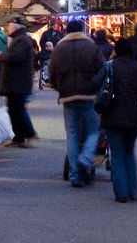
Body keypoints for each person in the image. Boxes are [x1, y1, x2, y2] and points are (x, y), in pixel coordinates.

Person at [48, 18, 106, 187]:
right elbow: (101, 70)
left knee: (72, 134)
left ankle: (75, 175)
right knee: (93, 130)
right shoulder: (91, 46)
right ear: (82, 29)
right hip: (87, 95)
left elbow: (52, 73)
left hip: (67, 96)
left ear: (66, 30)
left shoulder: (59, 48)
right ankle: (86, 158)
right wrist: (94, 86)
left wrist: (60, 88)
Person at [101, 38, 137, 202]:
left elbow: (96, 83)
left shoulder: (109, 67)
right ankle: (133, 189)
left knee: (117, 154)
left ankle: (121, 193)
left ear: (116, 51)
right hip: (134, 116)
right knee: (129, 152)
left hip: (112, 116)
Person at [0, 15, 37, 146]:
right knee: (16, 109)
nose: (7, 28)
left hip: (17, 82)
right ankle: (22, 135)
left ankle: (24, 135)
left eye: (9, 26)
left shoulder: (20, 40)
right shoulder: (20, 39)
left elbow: (16, 57)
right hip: (17, 82)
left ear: (14, 27)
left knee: (16, 110)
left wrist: (1, 56)